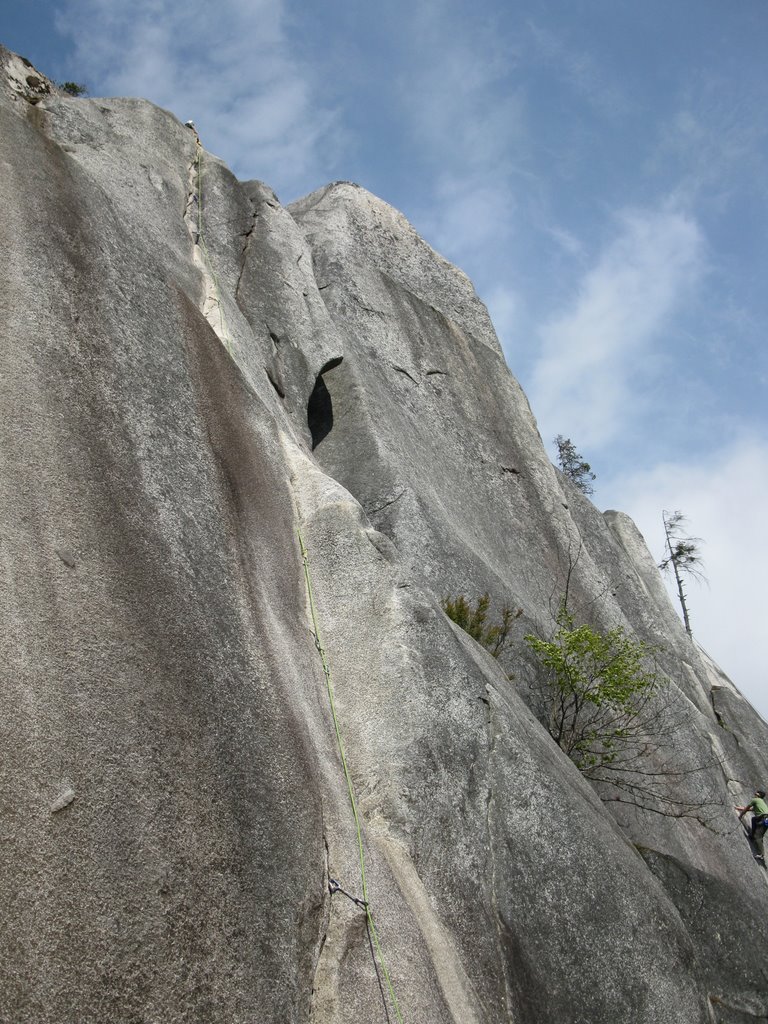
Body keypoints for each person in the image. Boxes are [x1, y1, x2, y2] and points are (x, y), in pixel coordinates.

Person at [735, 789, 768, 862]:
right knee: (754, 819)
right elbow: (749, 809)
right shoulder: (760, 803)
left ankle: (761, 855)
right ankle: (752, 836)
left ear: (758, 795)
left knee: (758, 836)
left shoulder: (755, 800)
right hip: (765, 818)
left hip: (763, 818)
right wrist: (737, 808)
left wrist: (740, 816)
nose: (755, 793)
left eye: (756, 793)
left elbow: (746, 809)